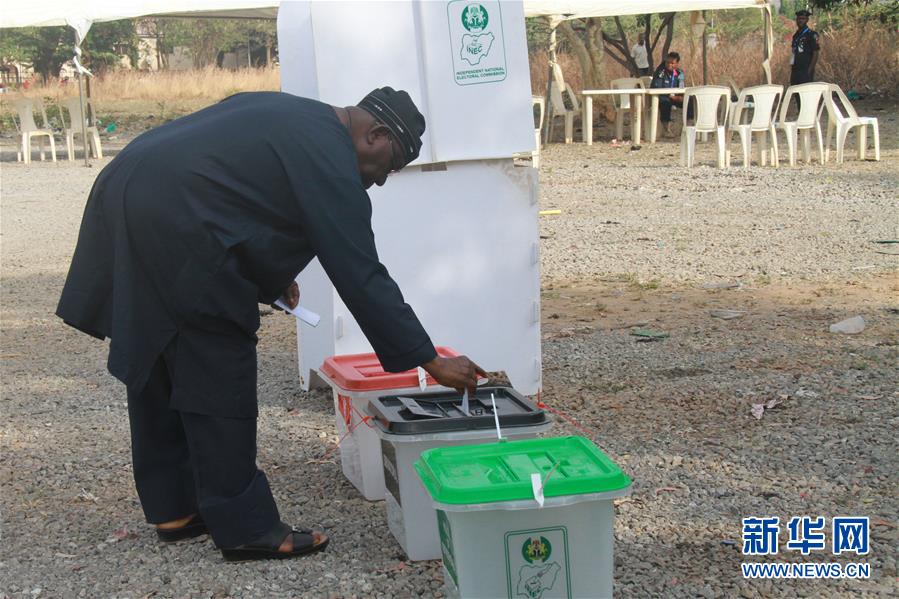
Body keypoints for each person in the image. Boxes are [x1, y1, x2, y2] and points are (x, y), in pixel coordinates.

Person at [56, 87, 487, 562]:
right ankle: (246, 527)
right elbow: (360, 272)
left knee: (158, 344)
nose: (384, 180)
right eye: (391, 163)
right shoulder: (329, 155)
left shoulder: (296, 115)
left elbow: (240, 190)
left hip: (128, 185)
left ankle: (172, 508)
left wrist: (274, 277)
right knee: (217, 356)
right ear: (376, 134)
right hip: (174, 214)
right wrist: (430, 359)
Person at [650, 51, 688, 137]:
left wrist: (681, 97)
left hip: (675, 97)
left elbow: (682, 87)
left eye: (672, 63)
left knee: (689, 102)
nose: (669, 65)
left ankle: (688, 126)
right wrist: (670, 96)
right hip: (663, 97)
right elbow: (657, 87)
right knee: (665, 102)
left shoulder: (680, 73)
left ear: (677, 64)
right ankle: (666, 129)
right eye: (667, 62)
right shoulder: (660, 72)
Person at [790, 10, 820, 86]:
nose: (800, 20)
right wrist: (791, 67)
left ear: (807, 20)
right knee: (796, 94)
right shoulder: (795, 35)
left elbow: (815, 53)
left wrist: (810, 70)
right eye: (799, 18)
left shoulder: (811, 34)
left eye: (803, 18)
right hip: (795, 71)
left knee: (805, 94)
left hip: (805, 70)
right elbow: (793, 52)